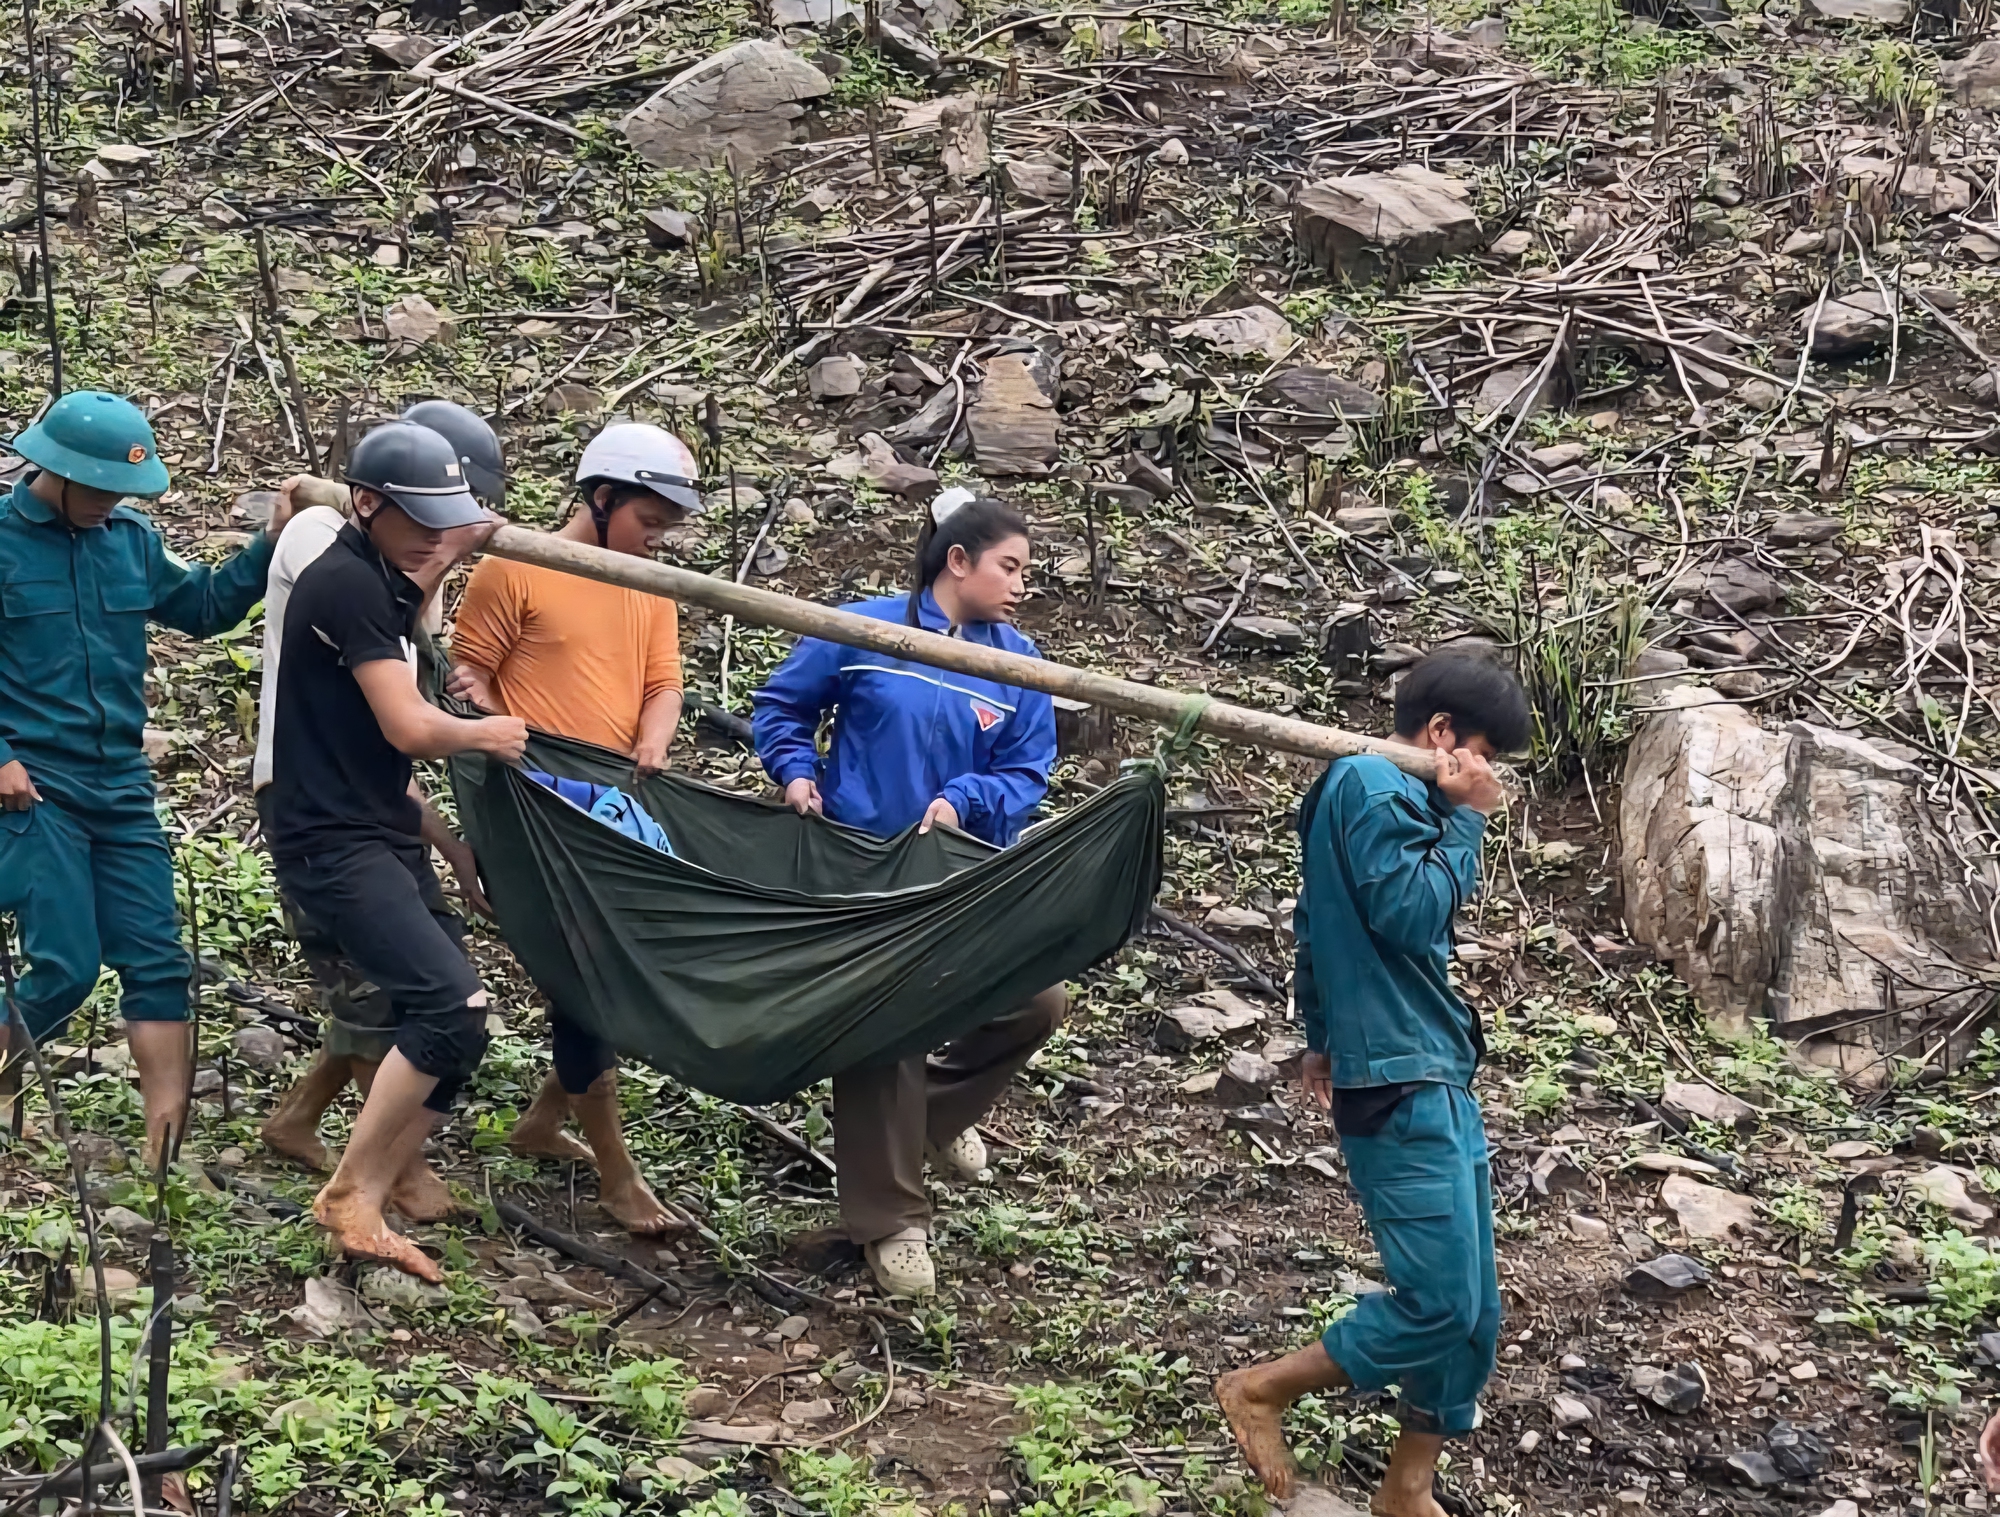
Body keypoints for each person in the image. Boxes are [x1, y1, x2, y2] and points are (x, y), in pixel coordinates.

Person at [1214, 651, 1530, 1517]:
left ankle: (1406, 1489)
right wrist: (1467, 821)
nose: (1490, 773)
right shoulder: (1373, 786)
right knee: (1436, 1303)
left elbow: (1315, 921)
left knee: (1475, 1310)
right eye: (1487, 752)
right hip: (1401, 1078)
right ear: (1441, 735)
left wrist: (1319, 1034)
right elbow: (1409, 914)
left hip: (1429, 1066)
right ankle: (1262, 1389)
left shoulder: (1363, 790)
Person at [751, 490, 1060, 1299]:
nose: (1022, 583)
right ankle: (893, 1223)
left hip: (959, 875)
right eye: (1010, 566)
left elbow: (1026, 773)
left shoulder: (1017, 665)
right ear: (958, 561)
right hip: (857, 866)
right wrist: (795, 773)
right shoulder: (865, 629)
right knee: (884, 1024)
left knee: (1035, 1002)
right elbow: (783, 707)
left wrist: (965, 798)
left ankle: (927, 1122)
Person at [0, 391, 296, 1167]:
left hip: (120, 784)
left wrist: (270, 544)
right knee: (64, 963)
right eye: (97, 488)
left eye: (121, 492)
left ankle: (162, 1155)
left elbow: (200, 606)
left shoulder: (129, 540)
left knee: (157, 960)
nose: (109, 504)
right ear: (51, 470)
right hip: (36, 785)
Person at [262, 420, 527, 1279]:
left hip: (375, 822)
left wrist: (448, 842)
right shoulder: (342, 584)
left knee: (465, 1019)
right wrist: (489, 733)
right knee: (446, 1005)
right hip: (330, 841)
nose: (432, 533)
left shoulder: (375, 576)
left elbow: (410, 617)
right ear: (367, 504)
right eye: (421, 519)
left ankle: (366, 1188)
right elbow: (410, 727)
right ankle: (352, 1193)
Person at [445, 421, 698, 1237]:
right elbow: (467, 669)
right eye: (647, 516)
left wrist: (654, 736)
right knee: (586, 973)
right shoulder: (519, 565)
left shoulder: (647, 582)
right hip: (534, 803)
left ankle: (544, 1121)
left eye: (668, 521)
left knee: (597, 967)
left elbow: (662, 681)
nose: (658, 533)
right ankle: (618, 1171)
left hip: (612, 806)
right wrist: (494, 717)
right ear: (600, 496)